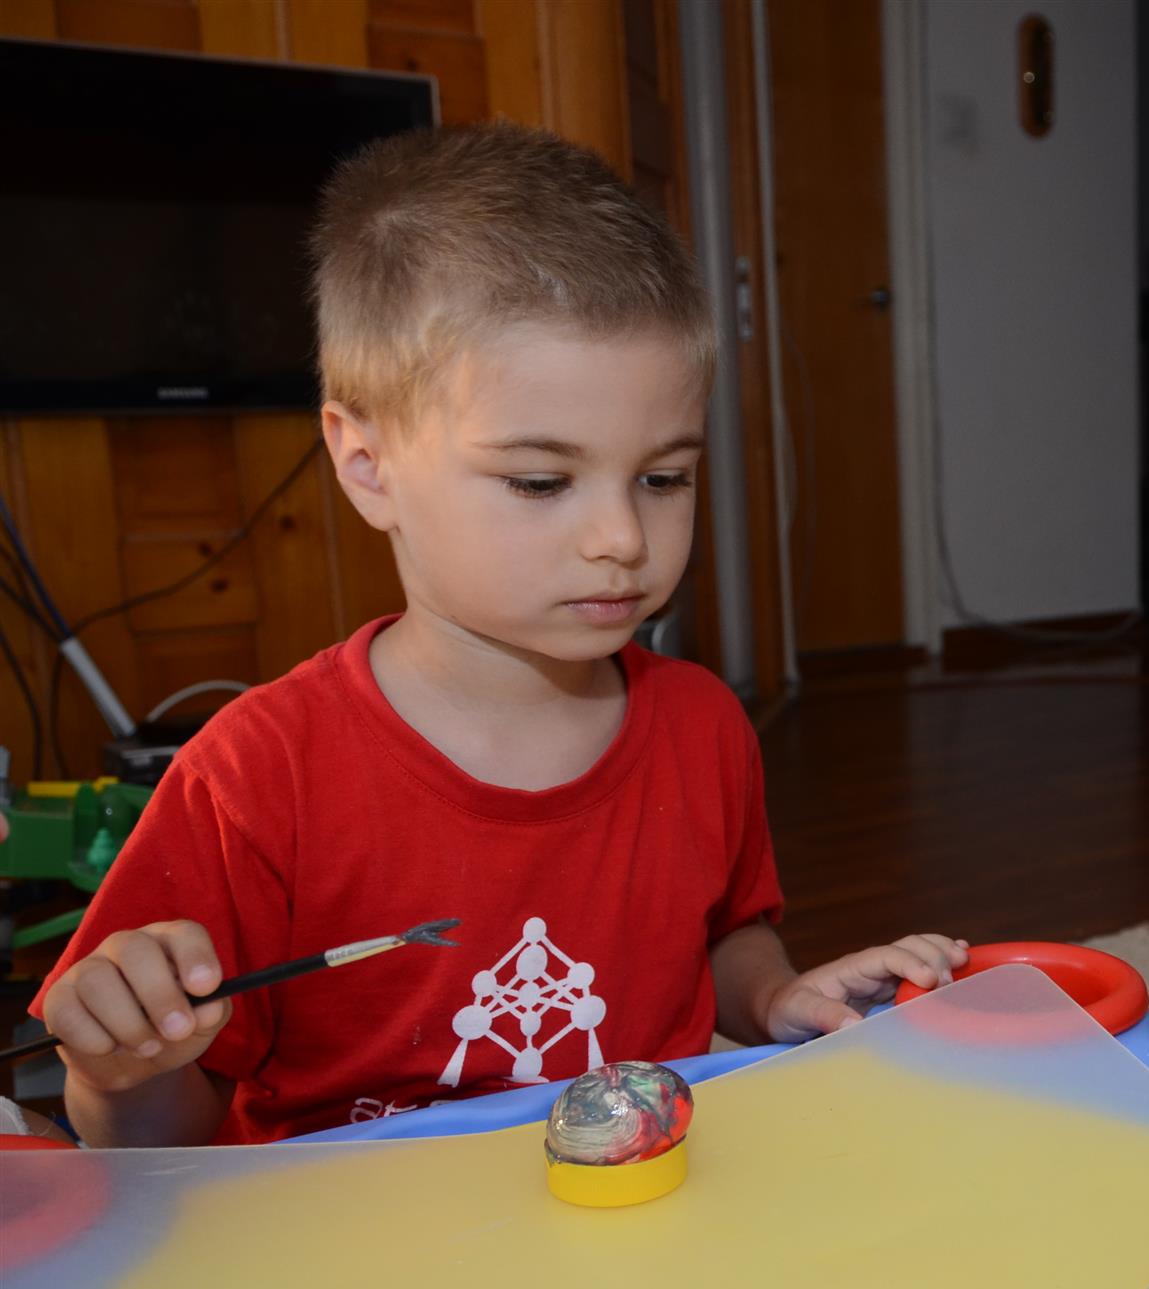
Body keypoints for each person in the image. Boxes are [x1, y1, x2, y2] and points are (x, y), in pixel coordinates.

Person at [34, 123, 963, 1148]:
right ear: (367, 466)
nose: (622, 538)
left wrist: (773, 998)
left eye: (663, 477)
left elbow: (722, 937)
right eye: (540, 482)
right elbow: (149, 1150)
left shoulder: (704, 726)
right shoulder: (250, 780)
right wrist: (121, 1074)